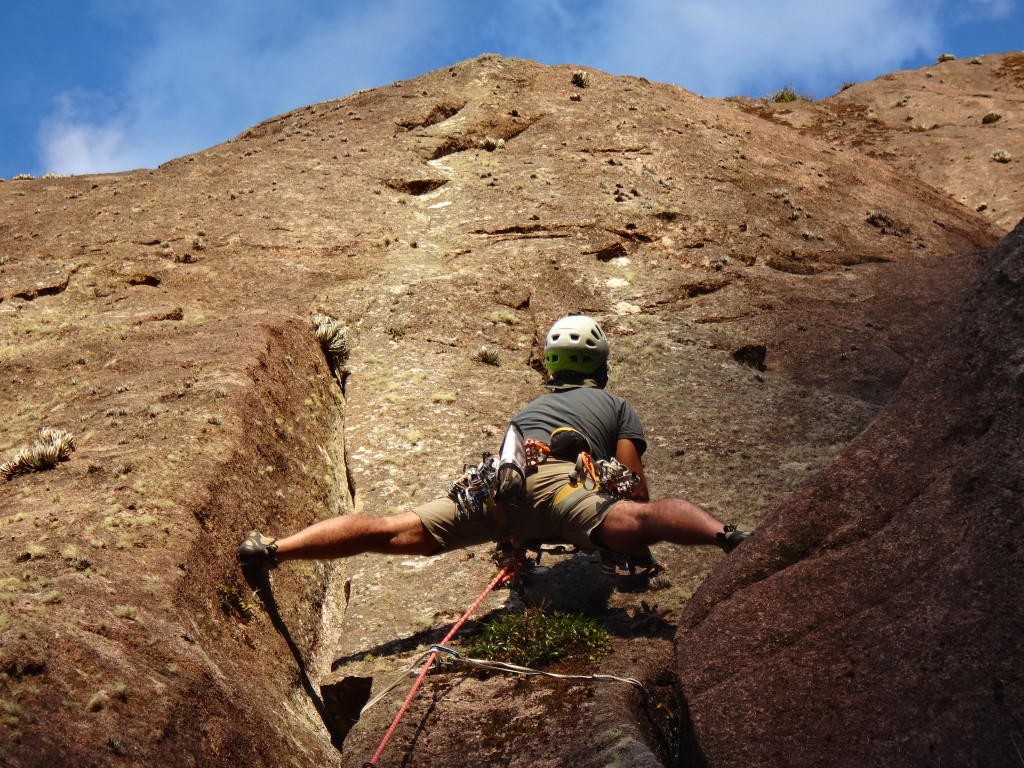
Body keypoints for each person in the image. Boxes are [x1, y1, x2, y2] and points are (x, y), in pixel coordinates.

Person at [239, 315, 749, 574]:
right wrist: (626, 543)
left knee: (390, 530)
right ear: (602, 365)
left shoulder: (528, 413)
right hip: (561, 493)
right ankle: (728, 538)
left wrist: (515, 541)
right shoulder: (618, 407)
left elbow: (515, 471)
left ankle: (274, 549)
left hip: (500, 491)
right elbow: (634, 488)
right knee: (641, 520)